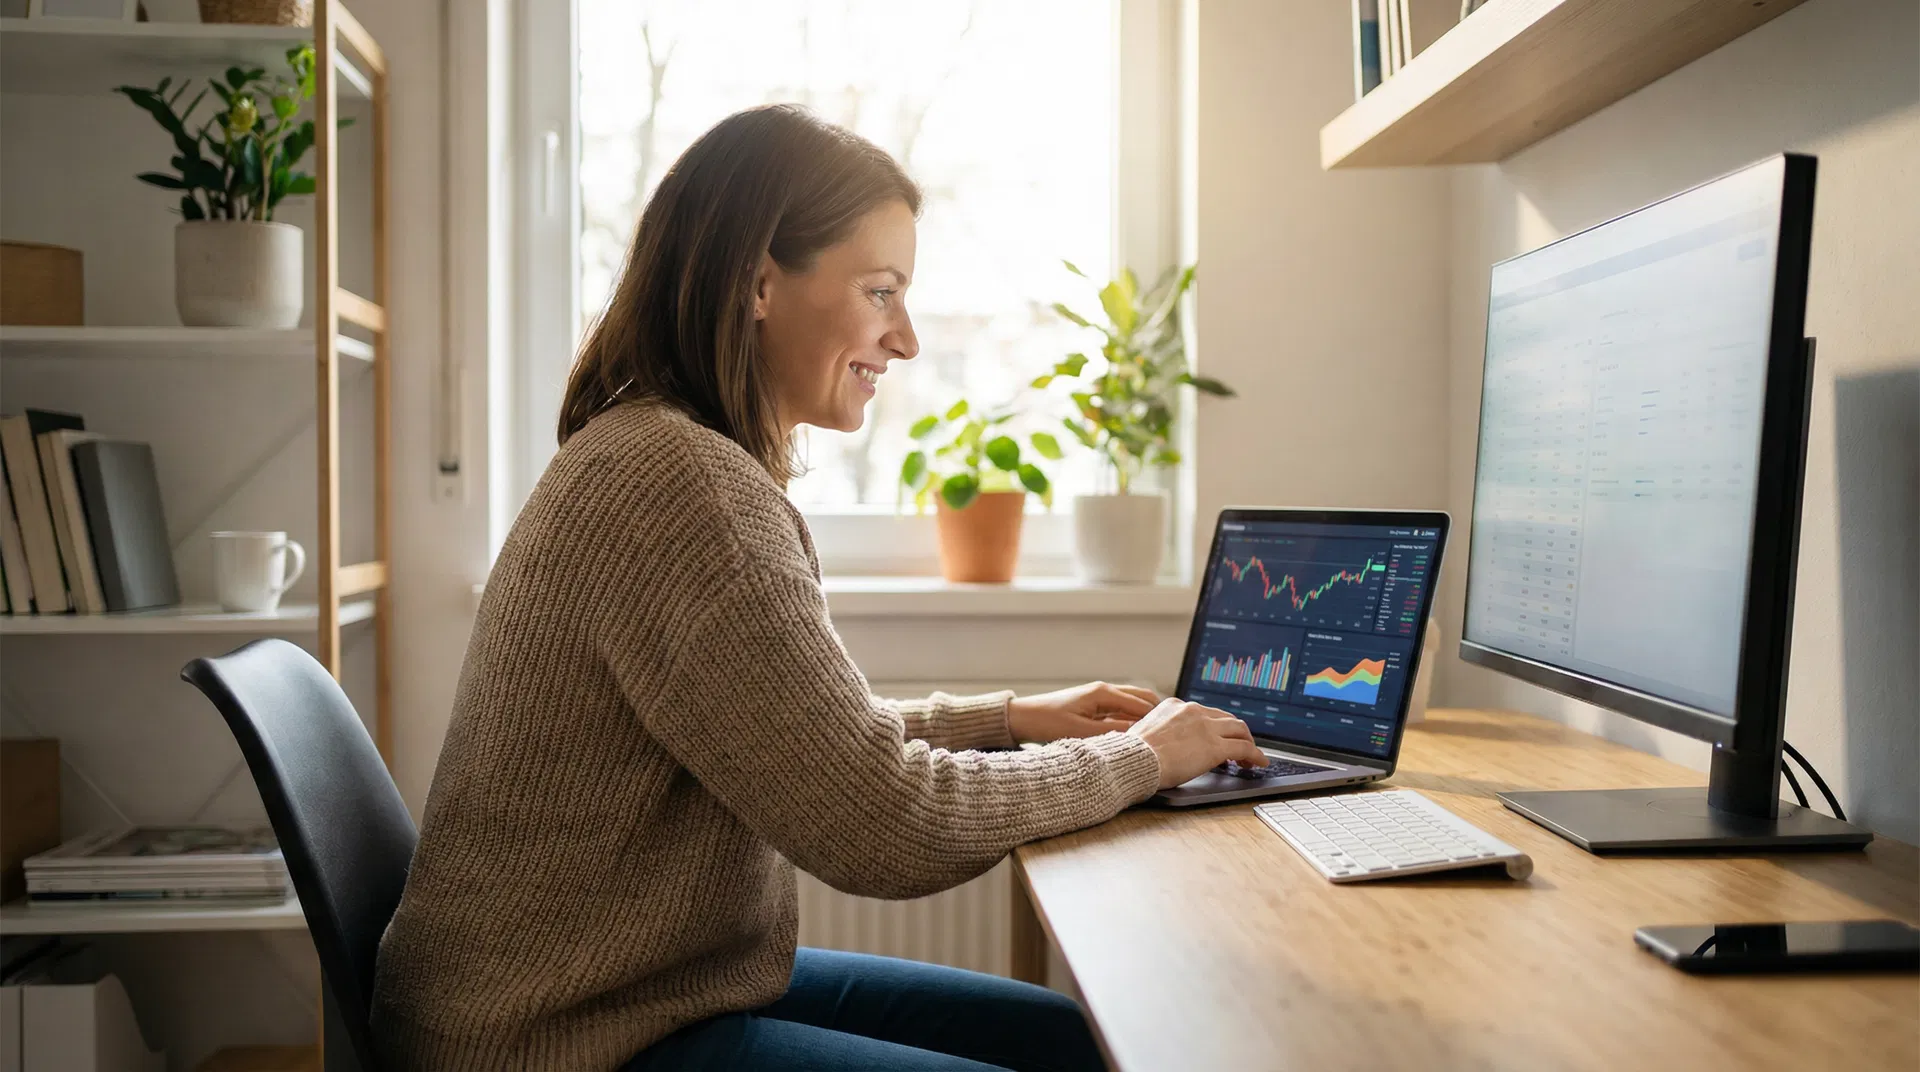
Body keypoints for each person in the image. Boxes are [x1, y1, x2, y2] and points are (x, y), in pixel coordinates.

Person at [370, 104, 1265, 1072]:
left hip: (626, 991)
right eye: (881, 292)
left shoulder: (656, 452)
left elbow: (797, 739)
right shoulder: (684, 488)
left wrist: (1008, 718)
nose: (906, 339)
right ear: (758, 283)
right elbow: (884, 825)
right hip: (553, 1038)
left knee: (1061, 1040)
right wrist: (1141, 758)